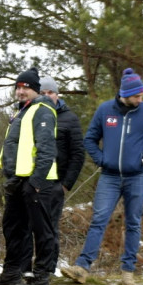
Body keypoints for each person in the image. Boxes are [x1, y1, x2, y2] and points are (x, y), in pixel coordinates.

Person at [61, 68, 143, 285]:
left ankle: (128, 272)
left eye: (142, 95)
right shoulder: (105, 110)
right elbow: (89, 140)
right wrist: (101, 159)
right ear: (125, 94)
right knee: (98, 219)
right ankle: (82, 267)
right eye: (137, 96)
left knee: (133, 223)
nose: (141, 99)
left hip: (137, 176)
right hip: (109, 177)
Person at [0, 68, 60, 285]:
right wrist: (11, 175)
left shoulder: (42, 110)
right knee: (12, 227)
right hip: (18, 180)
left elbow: (46, 147)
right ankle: (12, 271)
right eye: (18, 87)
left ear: (35, 90)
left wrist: (37, 180)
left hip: (36, 181)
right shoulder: (22, 111)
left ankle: (41, 276)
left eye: (26, 87)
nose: (21, 91)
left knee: (41, 230)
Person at [40, 77, 86, 257]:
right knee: (30, 227)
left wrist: (66, 184)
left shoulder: (70, 118)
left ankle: (47, 270)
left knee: (50, 229)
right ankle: (29, 268)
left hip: (56, 183)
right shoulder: (32, 116)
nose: (46, 96)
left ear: (57, 94)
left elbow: (78, 154)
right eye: (42, 93)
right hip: (33, 181)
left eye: (50, 92)